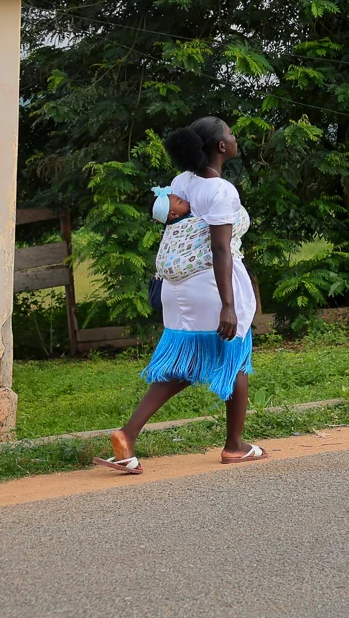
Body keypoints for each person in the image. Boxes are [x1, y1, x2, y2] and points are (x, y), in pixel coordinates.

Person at [95, 117, 264, 473]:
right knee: (234, 357)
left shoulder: (181, 181)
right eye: (230, 134)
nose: (235, 138)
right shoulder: (221, 191)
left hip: (177, 288)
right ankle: (234, 445)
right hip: (211, 286)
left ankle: (128, 434)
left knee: (187, 364)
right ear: (220, 147)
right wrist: (229, 306)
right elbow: (221, 250)